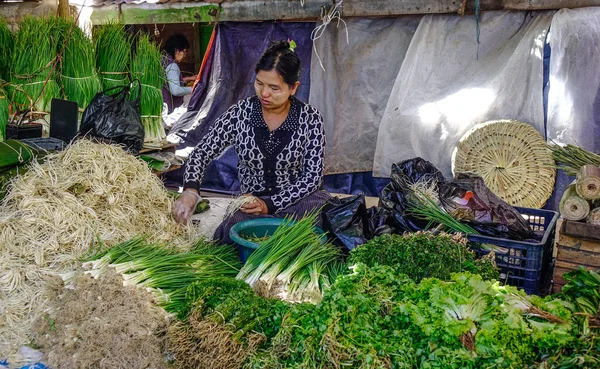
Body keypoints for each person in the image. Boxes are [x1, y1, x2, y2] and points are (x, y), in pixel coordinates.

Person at [172, 40, 330, 245]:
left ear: (293, 88)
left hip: (297, 204)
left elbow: (312, 178)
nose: (264, 93)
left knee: (321, 228)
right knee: (230, 234)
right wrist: (190, 191)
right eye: (259, 83)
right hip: (251, 206)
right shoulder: (241, 113)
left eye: (274, 88)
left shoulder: (310, 119)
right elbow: (201, 152)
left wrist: (271, 204)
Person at [161, 34, 197, 114]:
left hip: (160, 104)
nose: (184, 55)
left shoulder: (162, 59)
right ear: (176, 50)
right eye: (184, 52)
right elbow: (176, 90)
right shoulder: (172, 65)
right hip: (168, 107)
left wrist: (189, 78)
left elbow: (168, 81)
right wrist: (194, 89)